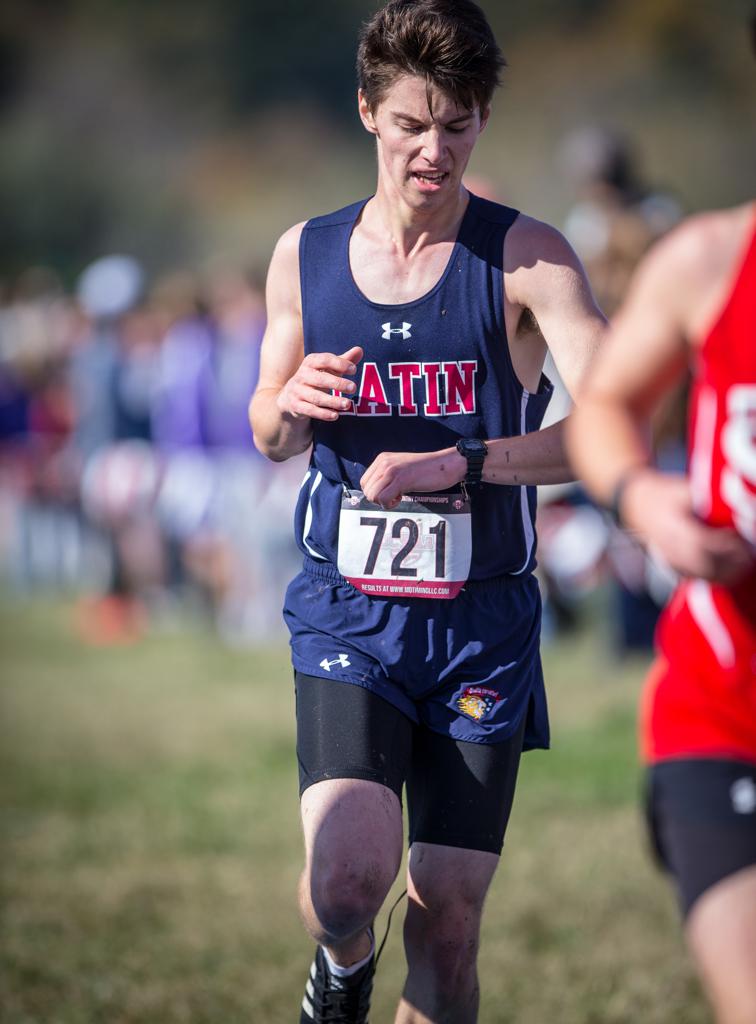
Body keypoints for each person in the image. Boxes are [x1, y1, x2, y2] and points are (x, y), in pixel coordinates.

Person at [249, 2, 605, 1021]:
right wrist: (291, 405)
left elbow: (608, 432)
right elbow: (266, 429)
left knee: (446, 917)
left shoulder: (527, 261)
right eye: (411, 124)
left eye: (456, 124)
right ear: (368, 112)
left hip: (481, 625)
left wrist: (466, 459)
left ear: (483, 121)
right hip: (348, 610)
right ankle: (343, 971)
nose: (433, 150)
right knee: (342, 885)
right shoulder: (304, 256)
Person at [566, 64, 756, 1024]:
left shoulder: (653, 218)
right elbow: (603, 400)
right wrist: (643, 497)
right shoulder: (706, 255)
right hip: (724, 714)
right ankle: (623, 635)